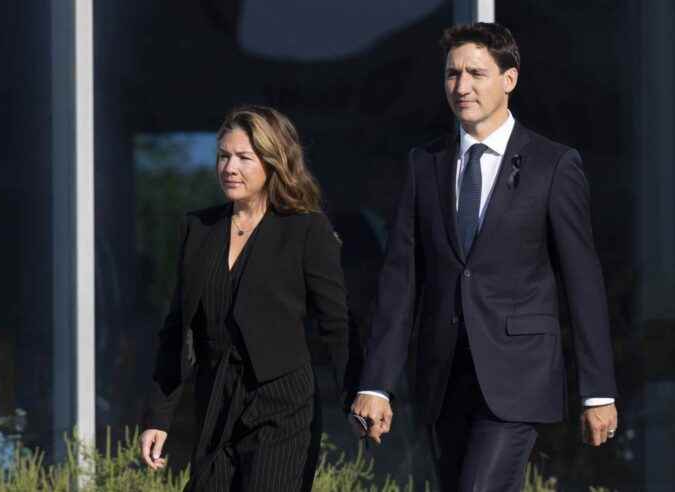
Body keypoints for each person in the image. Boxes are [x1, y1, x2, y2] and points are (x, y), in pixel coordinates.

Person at [350, 22, 618, 491]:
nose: (462, 86)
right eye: (452, 74)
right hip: (443, 377)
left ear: (509, 79)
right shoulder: (424, 164)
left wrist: (597, 391)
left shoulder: (554, 165)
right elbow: (400, 282)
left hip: (518, 377)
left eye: (476, 73)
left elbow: (583, 282)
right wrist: (376, 384)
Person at [139, 105, 349, 491]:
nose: (229, 167)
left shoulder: (305, 230)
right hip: (217, 402)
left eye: (243, 158)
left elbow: (337, 323)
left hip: (282, 404)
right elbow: (176, 330)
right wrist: (158, 416)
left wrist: (362, 394)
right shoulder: (199, 228)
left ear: (272, 162)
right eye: (223, 156)